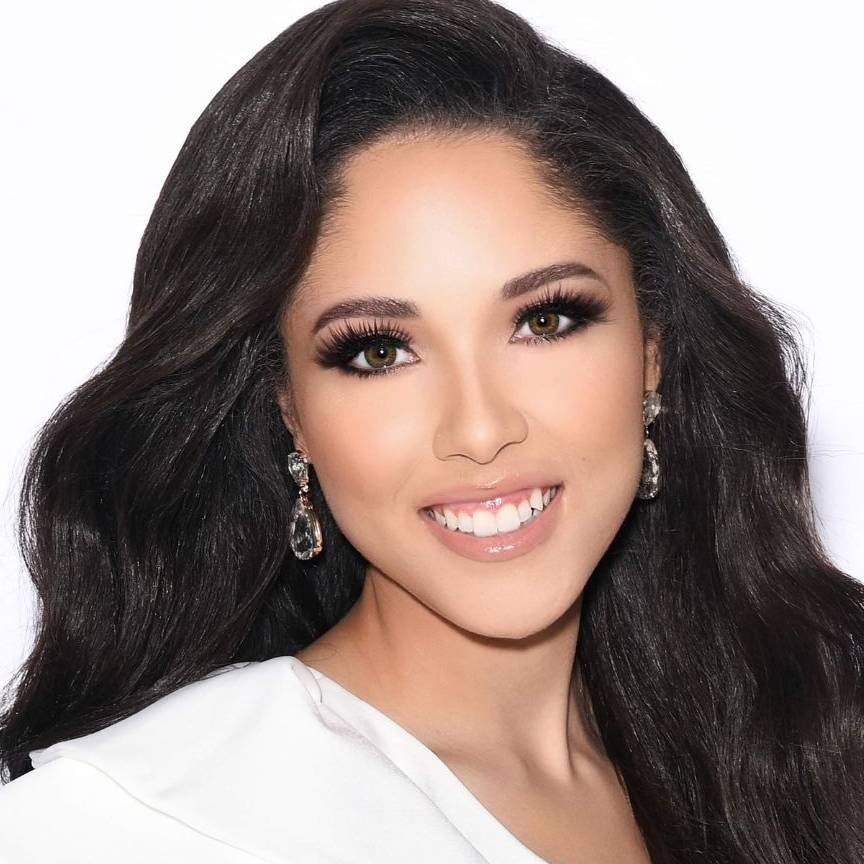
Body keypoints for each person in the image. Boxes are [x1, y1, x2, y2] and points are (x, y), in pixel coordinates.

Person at [1, 0, 861, 861]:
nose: (480, 430)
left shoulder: (805, 752)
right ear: (288, 407)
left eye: (546, 321)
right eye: (378, 352)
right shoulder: (131, 825)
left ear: (651, 351)